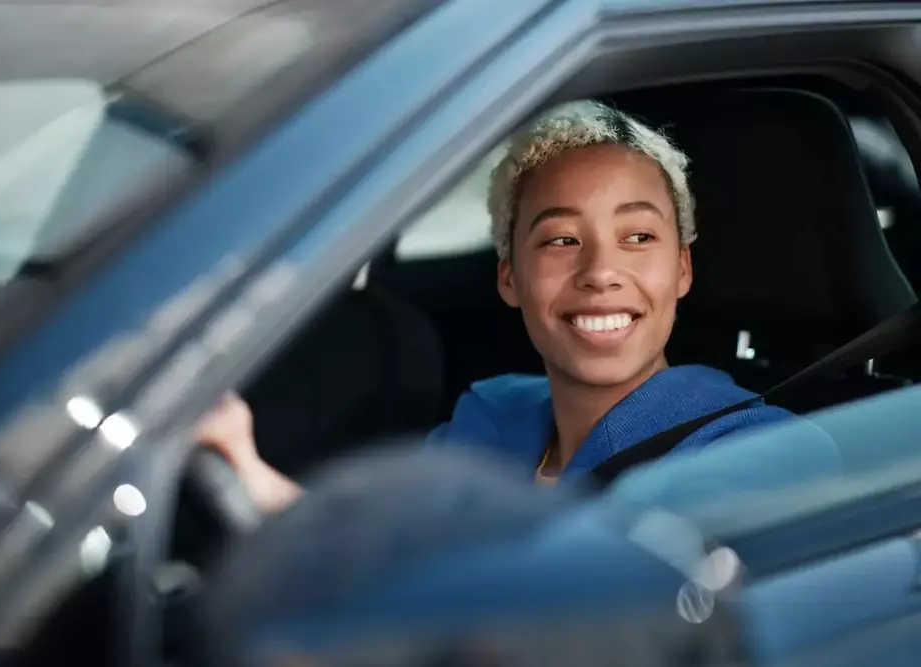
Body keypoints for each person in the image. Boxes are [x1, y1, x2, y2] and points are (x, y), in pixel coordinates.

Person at [195, 100, 797, 510]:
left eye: (638, 238)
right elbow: (381, 558)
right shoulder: (489, 419)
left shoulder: (754, 457)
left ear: (682, 269)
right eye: (562, 240)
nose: (601, 272)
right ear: (509, 276)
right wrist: (244, 469)